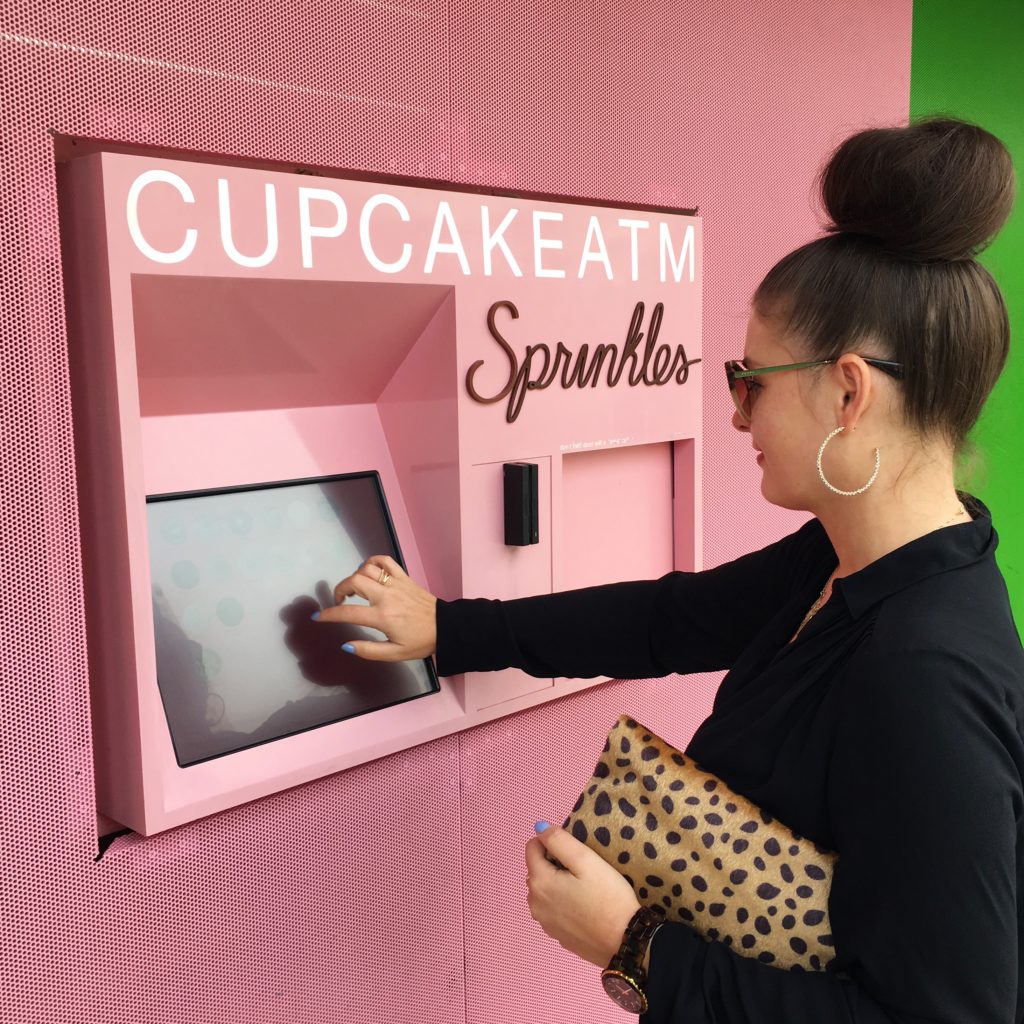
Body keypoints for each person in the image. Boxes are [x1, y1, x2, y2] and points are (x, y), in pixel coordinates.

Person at [313, 117, 1024, 1023]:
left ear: (849, 392)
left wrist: (636, 945)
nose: (736, 418)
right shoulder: (875, 559)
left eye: (751, 380)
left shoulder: (924, 672)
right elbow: (673, 620)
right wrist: (452, 628)